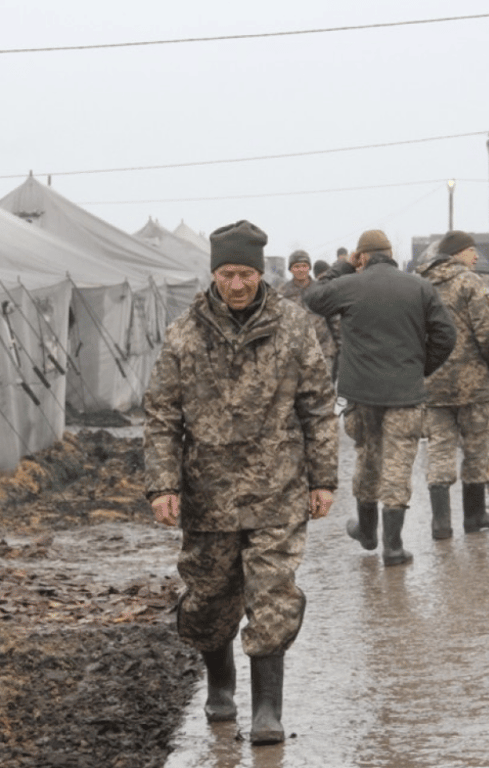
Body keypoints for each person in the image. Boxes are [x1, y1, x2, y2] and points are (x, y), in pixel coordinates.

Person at [143, 220, 337, 746]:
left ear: (261, 272)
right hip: (208, 495)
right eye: (227, 273)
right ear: (213, 274)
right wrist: (164, 485)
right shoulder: (184, 333)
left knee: (272, 596)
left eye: (246, 273)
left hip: (278, 489)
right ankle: (220, 683)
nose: (236, 284)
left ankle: (268, 709)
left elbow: (319, 407)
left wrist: (323, 479)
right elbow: (162, 416)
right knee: (209, 599)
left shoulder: (294, 327)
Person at [305, 230, 455, 566]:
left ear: (362, 257)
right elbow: (446, 335)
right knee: (399, 465)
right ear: (390, 253)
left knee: (368, 457)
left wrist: (340, 268)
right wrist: (419, 368)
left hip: (362, 396)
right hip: (406, 393)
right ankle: (393, 547)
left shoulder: (349, 286)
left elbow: (313, 297)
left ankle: (367, 531)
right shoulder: (419, 286)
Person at [417, 231, 489, 538]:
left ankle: (441, 522)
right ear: (458, 253)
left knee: (439, 450)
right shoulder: (471, 283)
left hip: (432, 383)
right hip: (473, 384)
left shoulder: (420, 285)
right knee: (477, 447)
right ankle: (474, 515)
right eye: (471, 251)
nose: (476, 257)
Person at [278, 249, 337, 373]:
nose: (300, 269)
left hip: (323, 351)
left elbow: (334, 319)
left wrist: (338, 348)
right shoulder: (282, 293)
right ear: (290, 269)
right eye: (296, 266)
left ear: (309, 268)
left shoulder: (321, 289)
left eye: (304, 266)